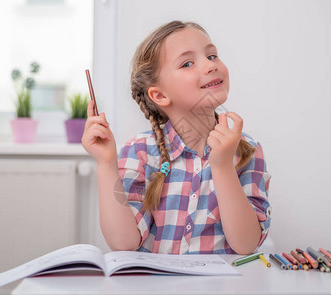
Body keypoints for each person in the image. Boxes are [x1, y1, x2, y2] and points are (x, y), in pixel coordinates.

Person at [82, 21, 271, 255]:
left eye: (212, 56)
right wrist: (105, 164)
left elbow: (246, 244)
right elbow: (124, 243)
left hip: (219, 292)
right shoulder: (139, 151)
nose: (210, 66)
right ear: (159, 95)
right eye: (188, 63)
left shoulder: (247, 150)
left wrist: (222, 166)